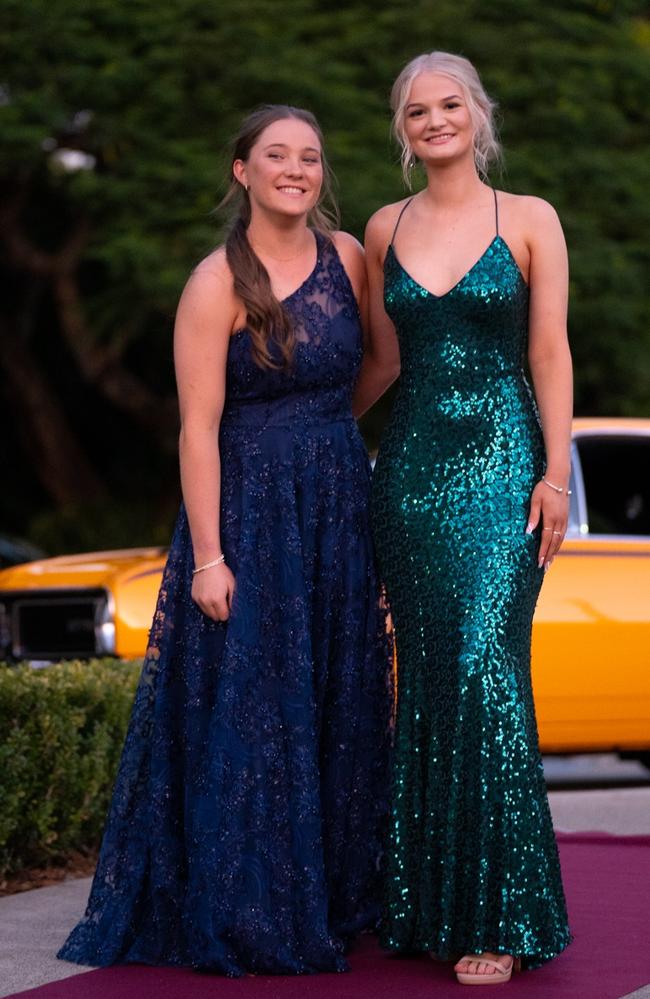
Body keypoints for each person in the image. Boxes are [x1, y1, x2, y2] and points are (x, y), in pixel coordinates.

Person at [58, 105, 392, 977]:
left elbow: (379, 366)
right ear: (241, 171)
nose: (297, 169)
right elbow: (197, 429)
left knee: (337, 692)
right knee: (259, 705)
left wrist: (321, 439)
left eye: (311, 157)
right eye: (276, 155)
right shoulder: (215, 281)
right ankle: (252, 909)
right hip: (246, 513)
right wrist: (209, 556)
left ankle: (340, 896)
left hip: (336, 503)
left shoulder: (350, 256)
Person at [354, 52, 572, 984]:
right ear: (401, 129)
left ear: (476, 115)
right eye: (416, 111)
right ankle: (418, 903)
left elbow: (552, 350)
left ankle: (502, 911)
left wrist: (554, 477)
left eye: (449, 105)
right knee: (429, 678)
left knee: (487, 666)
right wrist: (293, 430)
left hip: (501, 466)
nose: (433, 120)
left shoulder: (528, 218)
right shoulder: (380, 225)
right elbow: (378, 362)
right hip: (406, 474)